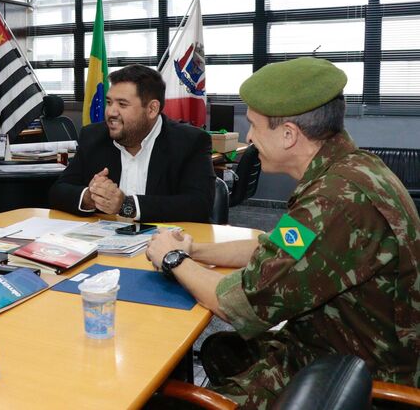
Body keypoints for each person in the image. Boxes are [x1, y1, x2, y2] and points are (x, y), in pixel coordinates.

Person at [146, 57, 420, 408]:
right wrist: (195, 250)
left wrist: (172, 257)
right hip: (334, 349)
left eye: (255, 126)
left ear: (289, 134)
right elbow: (279, 248)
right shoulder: (348, 170)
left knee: (161, 396)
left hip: (347, 380)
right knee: (221, 349)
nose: (248, 136)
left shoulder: (333, 203)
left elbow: (235, 305)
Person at [49, 64, 215, 222]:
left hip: (165, 242)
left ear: (152, 109)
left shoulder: (190, 141)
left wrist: (127, 205)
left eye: (122, 104)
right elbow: (58, 191)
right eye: (109, 102)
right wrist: (89, 197)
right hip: (105, 242)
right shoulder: (93, 136)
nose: (111, 112)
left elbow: (199, 205)